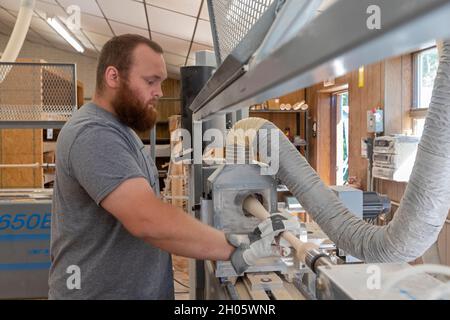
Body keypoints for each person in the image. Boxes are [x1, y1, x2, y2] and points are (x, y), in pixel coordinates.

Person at [48, 34, 298, 300]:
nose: (159, 92)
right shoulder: (92, 133)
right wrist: (236, 248)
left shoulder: (123, 130)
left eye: (161, 82)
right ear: (113, 77)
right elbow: (147, 219)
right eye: (150, 81)